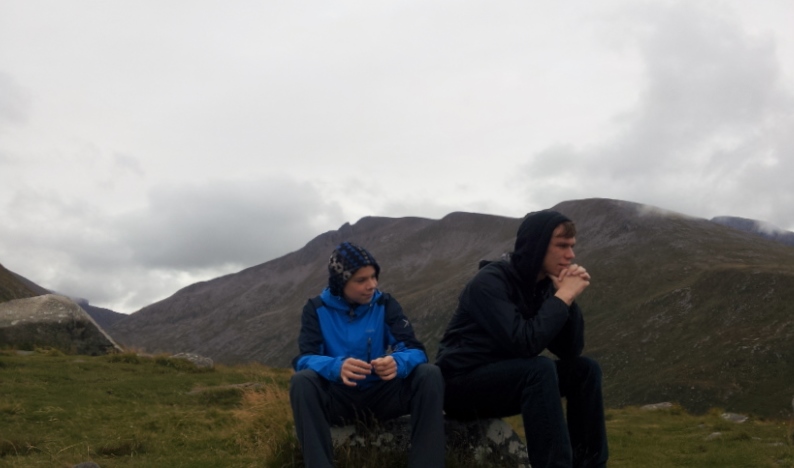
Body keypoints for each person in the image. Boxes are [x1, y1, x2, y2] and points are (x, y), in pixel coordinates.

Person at [435, 210, 608, 468]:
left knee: (585, 370)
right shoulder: (489, 282)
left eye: (572, 247)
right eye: (562, 246)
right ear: (537, 246)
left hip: (506, 380)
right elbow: (524, 343)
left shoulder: (542, 286)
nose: (570, 255)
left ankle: (590, 465)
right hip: (460, 385)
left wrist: (567, 299)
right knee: (538, 369)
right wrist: (562, 298)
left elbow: (570, 350)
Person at [290, 241, 445, 468]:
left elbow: (416, 350)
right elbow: (305, 359)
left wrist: (397, 362)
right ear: (341, 282)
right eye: (361, 280)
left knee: (429, 374)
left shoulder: (385, 304)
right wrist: (336, 367)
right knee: (302, 382)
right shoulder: (316, 309)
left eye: (374, 277)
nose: (371, 285)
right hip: (338, 398)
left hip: (381, 395)